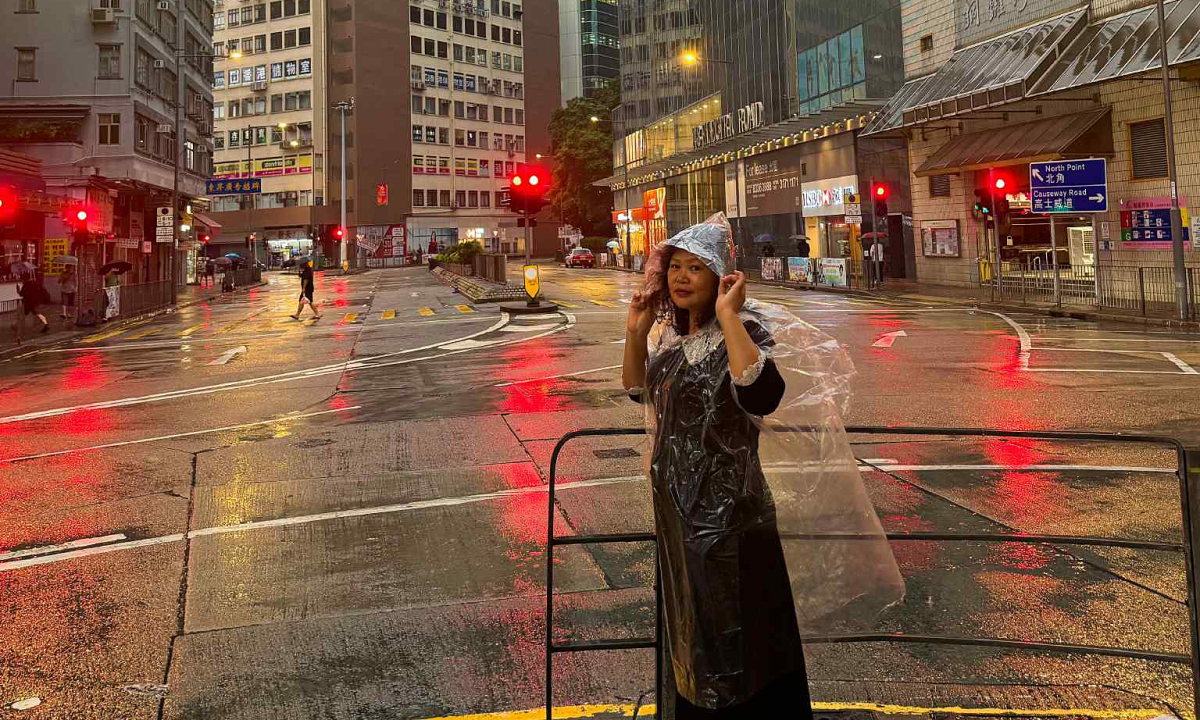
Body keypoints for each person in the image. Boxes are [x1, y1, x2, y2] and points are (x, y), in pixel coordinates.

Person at [622, 214, 903, 717]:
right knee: (692, 637)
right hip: (679, 521)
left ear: (720, 278)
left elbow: (762, 394)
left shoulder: (743, 330)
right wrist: (635, 331)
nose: (681, 277)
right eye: (675, 267)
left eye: (696, 268)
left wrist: (728, 316)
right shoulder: (670, 340)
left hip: (734, 521)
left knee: (744, 647)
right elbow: (638, 391)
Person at [15, 274, 51, 342]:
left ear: (24, 279)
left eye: (22, 279)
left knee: (23, 315)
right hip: (36, 301)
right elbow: (42, 291)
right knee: (37, 313)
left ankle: (17, 327)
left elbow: (21, 294)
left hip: (29, 303)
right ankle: (46, 324)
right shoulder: (36, 282)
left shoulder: (26, 285)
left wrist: (18, 289)